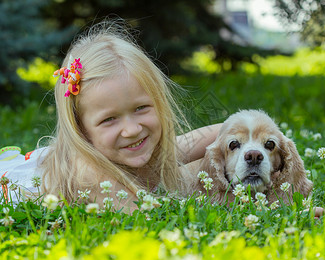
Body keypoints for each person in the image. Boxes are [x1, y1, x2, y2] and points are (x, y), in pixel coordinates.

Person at [0, 20, 222, 212]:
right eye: (109, 119)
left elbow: (189, 143)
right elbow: (149, 218)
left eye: (141, 108)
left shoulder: (132, 148)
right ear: (81, 128)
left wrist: (242, 132)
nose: (132, 129)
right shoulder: (90, 175)